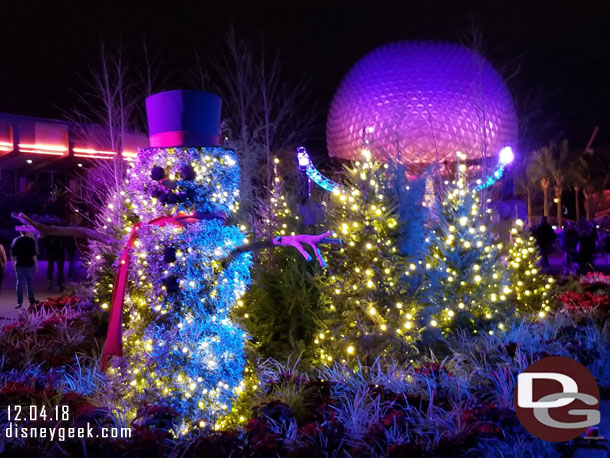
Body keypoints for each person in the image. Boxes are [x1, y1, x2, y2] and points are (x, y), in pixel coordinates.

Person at [10, 231, 38, 309]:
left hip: (19, 265)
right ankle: (31, 301)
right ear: (27, 233)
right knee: (29, 283)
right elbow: (34, 253)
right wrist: (36, 264)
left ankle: (19, 302)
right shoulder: (31, 241)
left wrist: (13, 264)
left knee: (19, 283)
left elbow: (13, 253)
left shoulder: (17, 240)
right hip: (29, 264)